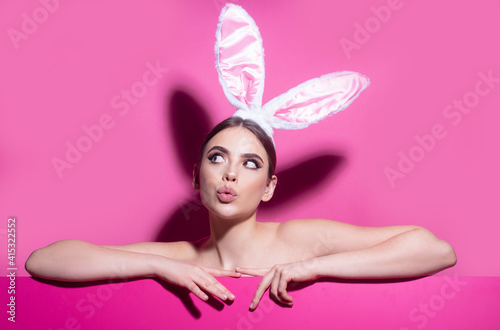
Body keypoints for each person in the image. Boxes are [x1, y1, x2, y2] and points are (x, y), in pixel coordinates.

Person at [26, 116, 457, 311]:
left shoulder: (300, 239)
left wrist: (314, 267)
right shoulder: (179, 256)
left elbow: (435, 250)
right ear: (197, 177)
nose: (230, 173)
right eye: (218, 158)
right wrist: (159, 267)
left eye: (251, 164)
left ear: (269, 187)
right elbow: (41, 260)